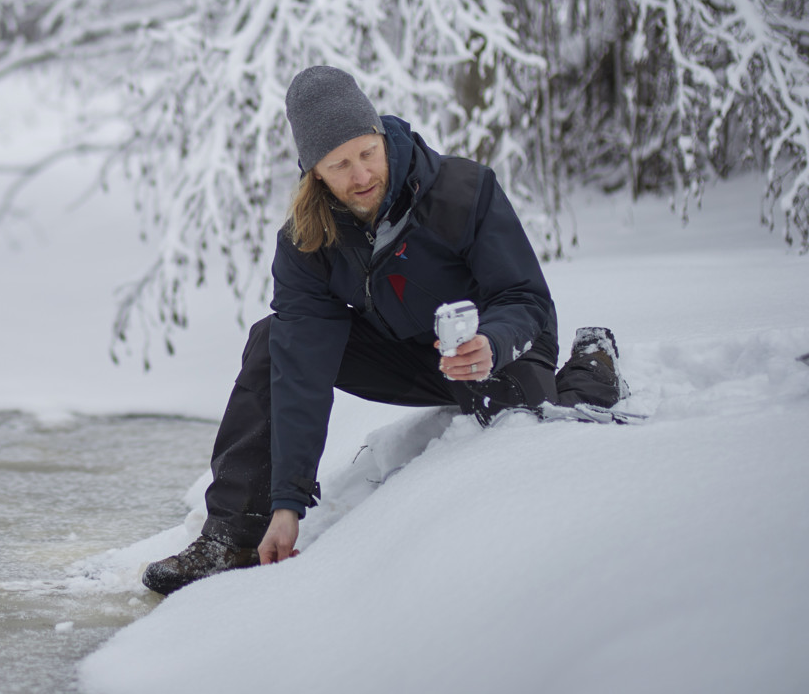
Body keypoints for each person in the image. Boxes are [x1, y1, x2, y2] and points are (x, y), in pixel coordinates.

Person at [142, 65, 628, 596]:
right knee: (272, 340)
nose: (361, 175)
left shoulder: (464, 191)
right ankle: (231, 537)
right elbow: (303, 365)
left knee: (538, 417)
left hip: (497, 345)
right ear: (314, 173)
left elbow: (524, 298)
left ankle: (594, 356)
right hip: (405, 356)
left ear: (381, 136)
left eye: (367, 152)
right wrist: (287, 503)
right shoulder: (307, 239)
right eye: (340, 164)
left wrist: (490, 340)